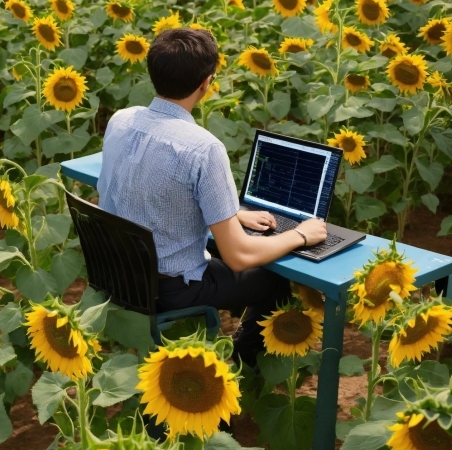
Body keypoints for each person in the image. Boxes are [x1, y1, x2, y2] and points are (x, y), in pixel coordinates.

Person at [97, 28, 327, 366]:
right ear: (206, 83)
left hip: (119, 272)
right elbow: (238, 256)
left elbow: (148, 195)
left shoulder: (121, 120)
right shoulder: (202, 147)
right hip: (171, 287)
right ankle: (237, 366)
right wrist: (301, 234)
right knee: (273, 279)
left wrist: (231, 215)